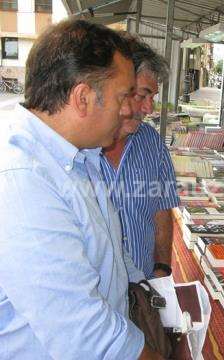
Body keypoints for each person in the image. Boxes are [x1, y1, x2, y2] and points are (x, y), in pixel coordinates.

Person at [0, 20, 162, 359]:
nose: (130, 109)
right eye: (123, 96)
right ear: (83, 98)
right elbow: (84, 333)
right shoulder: (20, 177)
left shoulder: (79, 154)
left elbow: (108, 250)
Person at [101, 33, 179, 279]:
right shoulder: (82, 148)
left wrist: (162, 268)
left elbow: (162, 208)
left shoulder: (152, 142)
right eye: (142, 95)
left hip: (144, 285)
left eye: (152, 98)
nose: (149, 108)